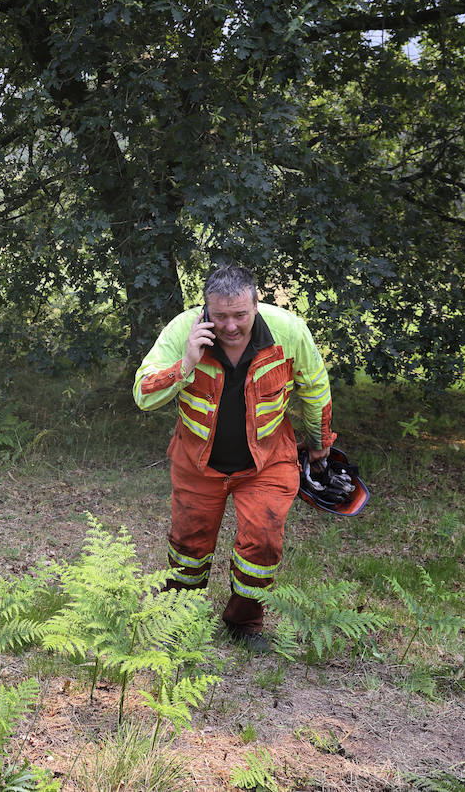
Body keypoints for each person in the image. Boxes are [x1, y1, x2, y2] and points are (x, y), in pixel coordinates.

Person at [132, 264, 336, 651]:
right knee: (188, 548)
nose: (229, 326)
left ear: (256, 305)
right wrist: (186, 363)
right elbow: (143, 395)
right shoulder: (182, 330)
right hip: (197, 462)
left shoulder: (288, 330)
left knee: (262, 543)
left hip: (267, 462)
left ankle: (244, 623)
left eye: (240, 315)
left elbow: (315, 385)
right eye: (220, 315)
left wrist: (321, 441)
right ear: (205, 308)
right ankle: (179, 618)